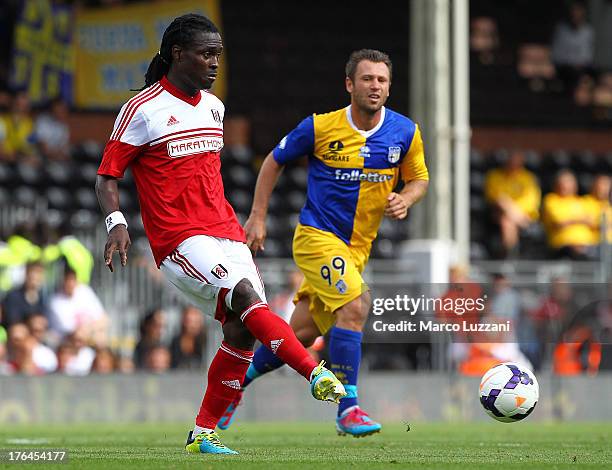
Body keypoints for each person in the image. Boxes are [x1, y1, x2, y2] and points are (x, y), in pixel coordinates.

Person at [94, 13, 345, 455]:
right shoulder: (143, 110)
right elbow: (107, 176)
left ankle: (203, 434)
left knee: (242, 330)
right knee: (246, 295)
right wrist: (116, 223)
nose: (214, 63)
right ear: (177, 53)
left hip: (225, 231)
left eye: (218, 56)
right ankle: (315, 372)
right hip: (179, 239)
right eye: (206, 54)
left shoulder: (214, 107)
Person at [220, 49, 429, 437]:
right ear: (350, 84)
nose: (375, 86)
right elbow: (273, 160)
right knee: (356, 304)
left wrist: (407, 197)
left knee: (298, 335)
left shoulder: (405, 132)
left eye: (382, 80)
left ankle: (232, 387)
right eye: (367, 79)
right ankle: (348, 409)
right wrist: (258, 216)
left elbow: (418, 178)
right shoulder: (320, 127)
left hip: (356, 251)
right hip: (317, 238)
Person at [484, 150, 541, 257]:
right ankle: (511, 256)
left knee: (507, 222)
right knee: (506, 220)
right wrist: (514, 213)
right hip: (500, 213)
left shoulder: (528, 178)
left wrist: (517, 213)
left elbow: (531, 200)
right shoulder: (495, 176)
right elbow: (497, 197)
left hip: (524, 215)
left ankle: (509, 256)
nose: (513, 164)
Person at [542, 170, 595, 259]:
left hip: (588, 244)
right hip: (562, 245)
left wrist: (571, 220)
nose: (567, 185)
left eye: (570, 182)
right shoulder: (551, 200)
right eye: (564, 182)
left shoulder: (584, 201)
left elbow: (592, 222)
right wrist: (580, 219)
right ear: (557, 184)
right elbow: (559, 223)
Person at [1, 261, 49, 328]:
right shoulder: (13, 295)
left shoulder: (42, 298)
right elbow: (12, 320)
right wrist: (31, 321)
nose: (36, 278)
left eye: (39, 274)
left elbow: (45, 319)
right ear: (26, 274)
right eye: (33, 274)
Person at [170, 305, 207, 370]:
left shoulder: (206, 342)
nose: (192, 326)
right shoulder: (175, 342)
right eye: (189, 321)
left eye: (195, 322)